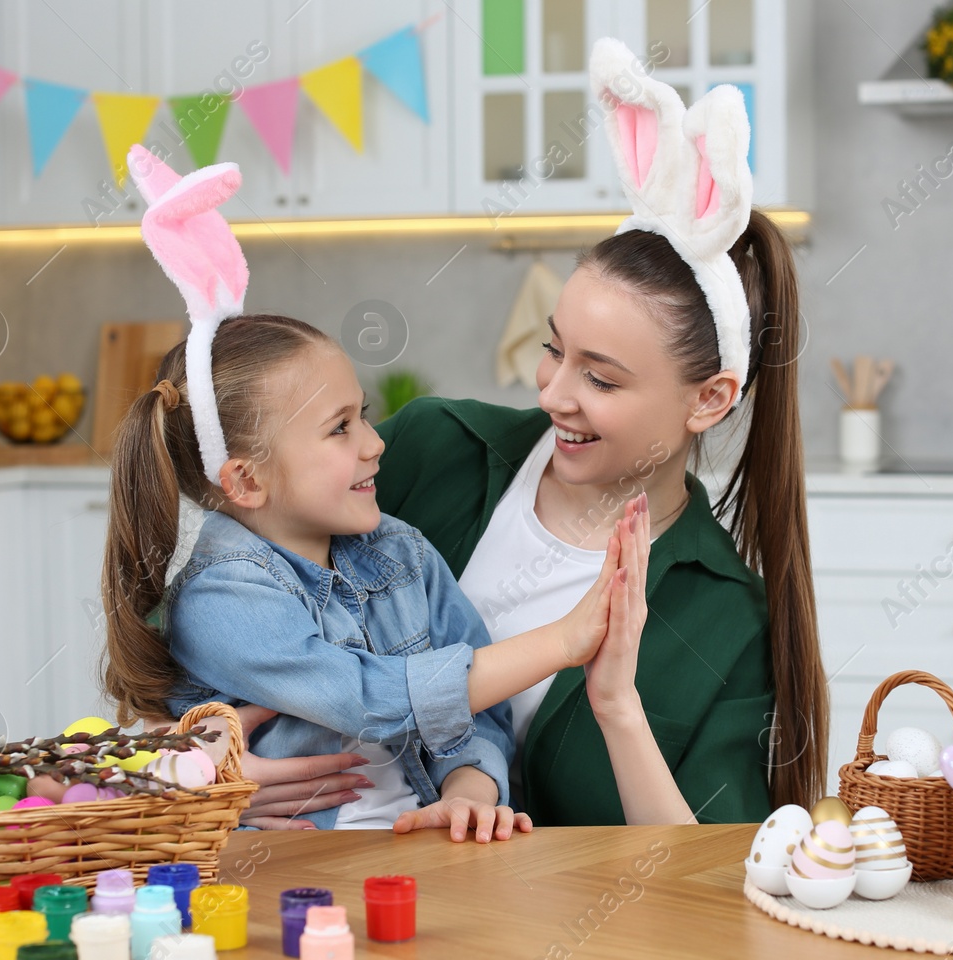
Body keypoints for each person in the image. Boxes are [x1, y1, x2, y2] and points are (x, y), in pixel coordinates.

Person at [241, 40, 830, 828]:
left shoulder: (724, 615)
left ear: (710, 399)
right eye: (555, 349)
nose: (554, 393)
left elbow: (716, 877)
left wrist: (617, 706)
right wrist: (205, 742)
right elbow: (221, 586)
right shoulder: (432, 449)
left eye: (602, 377)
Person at [99, 147, 642, 838]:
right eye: (340, 427)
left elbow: (479, 707)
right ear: (246, 479)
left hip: (415, 841)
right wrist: (564, 640)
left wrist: (471, 783)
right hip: (288, 869)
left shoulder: (398, 552)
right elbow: (368, 699)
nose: (375, 442)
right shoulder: (223, 596)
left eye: (363, 415)